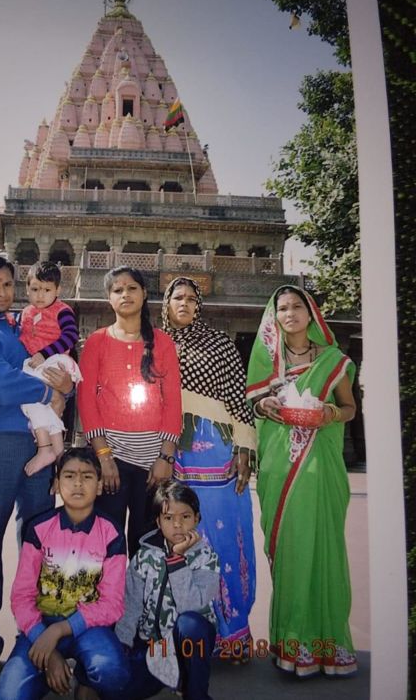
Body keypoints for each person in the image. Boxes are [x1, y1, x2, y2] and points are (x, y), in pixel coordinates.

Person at [0, 255, 74, 679]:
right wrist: (52, 392)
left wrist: (64, 387)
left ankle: (36, 635)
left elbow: (61, 361)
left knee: (39, 542)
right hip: (2, 442)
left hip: (40, 441)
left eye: (8, 284)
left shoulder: (24, 324)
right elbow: (3, 385)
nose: (2, 292)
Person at [246, 284, 357, 677]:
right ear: (274, 316)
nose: (289, 313)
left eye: (297, 306)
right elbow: (254, 403)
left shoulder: (332, 360)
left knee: (323, 545)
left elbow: (349, 408)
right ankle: (293, 643)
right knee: (291, 549)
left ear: (311, 313)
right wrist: (264, 403)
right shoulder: (266, 362)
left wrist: (329, 413)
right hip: (280, 465)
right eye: (282, 308)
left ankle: (329, 644)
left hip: (320, 465)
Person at [161, 277, 256, 656]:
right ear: (166, 304)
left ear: (199, 305)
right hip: (172, 453)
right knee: (182, 539)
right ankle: (188, 631)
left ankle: (231, 632)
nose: (184, 304)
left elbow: (237, 395)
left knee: (224, 538)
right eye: (177, 298)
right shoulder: (157, 344)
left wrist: (245, 446)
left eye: (190, 298)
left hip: (216, 451)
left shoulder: (218, 343)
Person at [0, 447, 129, 700]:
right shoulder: (38, 529)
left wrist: (59, 630)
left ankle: (86, 679)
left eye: (87, 476)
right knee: (8, 696)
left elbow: (112, 604)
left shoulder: (111, 533)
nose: (78, 483)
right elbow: (21, 597)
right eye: (69, 476)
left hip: (89, 628)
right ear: (56, 484)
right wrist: (46, 645)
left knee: (112, 672)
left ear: (100, 486)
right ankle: (46, 671)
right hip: (41, 625)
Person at [77, 266, 182, 558]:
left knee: (146, 541)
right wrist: (104, 457)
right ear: (109, 298)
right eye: (118, 290)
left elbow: (173, 402)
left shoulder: (162, 342)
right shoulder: (97, 341)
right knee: (106, 540)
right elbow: (87, 401)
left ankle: (143, 590)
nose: (125, 294)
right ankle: (109, 590)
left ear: (144, 293)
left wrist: (165, 458)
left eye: (132, 288)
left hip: (153, 462)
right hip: (111, 457)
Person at [114, 481, 219, 700]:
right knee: (117, 690)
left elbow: (191, 605)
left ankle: (196, 692)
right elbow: (131, 604)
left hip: (190, 641)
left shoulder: (206, 558)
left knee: (190, 624)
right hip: (152, 644)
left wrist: (177, 559)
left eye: (185, 517)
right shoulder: (145, 556)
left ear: (197, 519)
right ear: (158, 522)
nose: (177, 525)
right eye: (169, 518)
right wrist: (123, 643)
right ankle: (173, 676)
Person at [19, 260, 82, 476]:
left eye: (47, 290)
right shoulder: (26, 312)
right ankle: (57, 450)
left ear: (58, 290)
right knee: (43, 405)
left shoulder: (61, 311)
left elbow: (71, 336)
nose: (40, 295)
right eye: (35, 289)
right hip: (38, 362)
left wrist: (44, 354)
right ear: (27, 288)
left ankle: (44, 447)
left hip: (54, 360)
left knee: (30, 395)